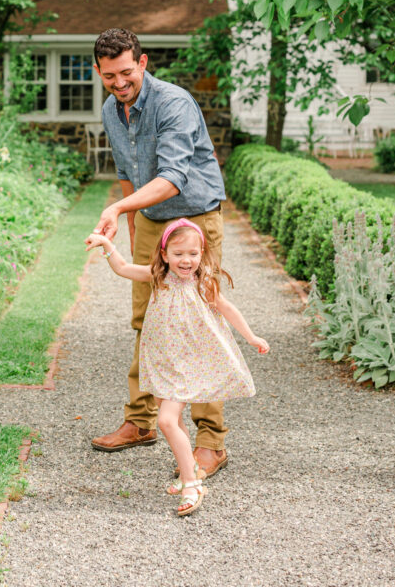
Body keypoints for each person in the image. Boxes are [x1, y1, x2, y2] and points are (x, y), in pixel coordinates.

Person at [90, 27, 230, 479]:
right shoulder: (112, 109)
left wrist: (117, 206)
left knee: (200, 324)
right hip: (149, 221)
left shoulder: (174, 104)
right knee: (145, 320)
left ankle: (210, 443)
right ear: (99, 71)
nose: (119, 82)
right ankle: (140, 422)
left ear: (143, 63)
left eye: (126, 72)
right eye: (109, 75)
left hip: (193, 220)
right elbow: (129, 173)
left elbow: (172, 178)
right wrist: (133, 225)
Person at [86, 219, 269, 515]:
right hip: (163, 360)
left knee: (167, 421)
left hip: (188, 361)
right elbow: (122, 268)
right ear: (165, 254)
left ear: (202, 253)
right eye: (179, 253)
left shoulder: (203, 281)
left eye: (193, 254)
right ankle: (192, 470)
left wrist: (251, 337)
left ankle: (191, 483)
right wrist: (107, 245)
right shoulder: (159, 276)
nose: (187, 260)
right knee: (177, 423)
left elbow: (227, 308)